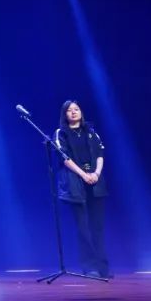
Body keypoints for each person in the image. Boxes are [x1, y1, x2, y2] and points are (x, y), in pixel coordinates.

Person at [53, 100, 110, 278]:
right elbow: (64, 158)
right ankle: (90, 267)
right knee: (83, 227)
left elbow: (100, 154)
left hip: (95, 182)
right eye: (69, 110)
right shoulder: (61, 133)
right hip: (75, 183)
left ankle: (103, 267)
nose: (73, 112)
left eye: (76, 109)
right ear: (64, 114)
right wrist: (84, 175)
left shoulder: (91, 132)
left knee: (98, 227)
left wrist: (96, 173)